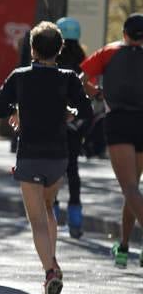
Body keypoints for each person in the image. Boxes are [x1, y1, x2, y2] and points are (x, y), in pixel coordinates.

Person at [0, 21, 92, 294]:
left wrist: (16, 110)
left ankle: (50, 272)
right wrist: (68, 115)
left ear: (32, 48)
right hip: (58, 155)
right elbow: (86, 111)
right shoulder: (68, 77)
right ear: (59, 49)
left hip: (30, 153)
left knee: (36, 220)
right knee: (49, 208)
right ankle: (52, 265)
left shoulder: (20, 77)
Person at [81, 13, 143, 270]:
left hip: (118, 121)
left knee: (129, 188)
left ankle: (127, 245)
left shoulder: (110, 51)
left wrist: (96, 93)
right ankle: (124, 246)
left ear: (125, 33)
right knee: (133, 189)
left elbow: (83, 77)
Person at [55, 17, 88, 239]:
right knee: (72, 168)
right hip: (76, 124)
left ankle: (53, 211)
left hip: (53, 123)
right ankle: (75, 216)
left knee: (54, 168)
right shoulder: (82, 63)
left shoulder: (53, 62)